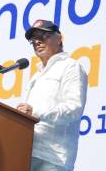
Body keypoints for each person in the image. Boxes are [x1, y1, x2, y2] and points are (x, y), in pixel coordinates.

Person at [17, 19, 87, 171]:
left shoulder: (71, 67)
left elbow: (74, 108)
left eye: (43, 36)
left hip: (53, 158)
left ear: (59, 38)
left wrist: (34, 113)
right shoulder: (36, 76)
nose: (37, 42)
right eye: (33, 39)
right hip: (27, 153)